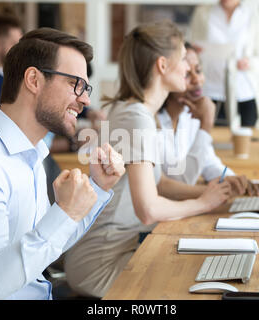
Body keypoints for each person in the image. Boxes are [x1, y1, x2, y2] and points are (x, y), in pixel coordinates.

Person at [0, 28, 126, 300]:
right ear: (34, 79)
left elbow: (49, 245)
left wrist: (99, 189)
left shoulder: (30, 153)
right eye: (76, 84)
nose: (85, 99)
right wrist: (66, 212)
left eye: (86, 87)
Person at [63, 21, 232, 298]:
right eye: (183, 61)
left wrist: (213, 194)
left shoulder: (134, 111)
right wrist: (203, 203)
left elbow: (159, 183)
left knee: (205, 273)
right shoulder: (136, 118)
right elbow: (149, 210)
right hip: (101, 264)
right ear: (162, 65)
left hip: (120, 248)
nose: (189, 69)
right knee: (203, 287)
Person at [157, 42, 259, 196]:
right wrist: (206, 125)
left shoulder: (189, 115)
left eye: (198, 71)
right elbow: (181, 182)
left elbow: (208, 162)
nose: (197, 80)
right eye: (187, 74)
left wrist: (232, 180)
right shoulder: (153, 122)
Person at [189, 0, 259, 127]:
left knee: (246, 138)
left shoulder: (254, 17)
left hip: (243, 91)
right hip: (211, 90)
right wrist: (194, 52)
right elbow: (191, 48)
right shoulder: (202, 13)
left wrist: (249, 63)